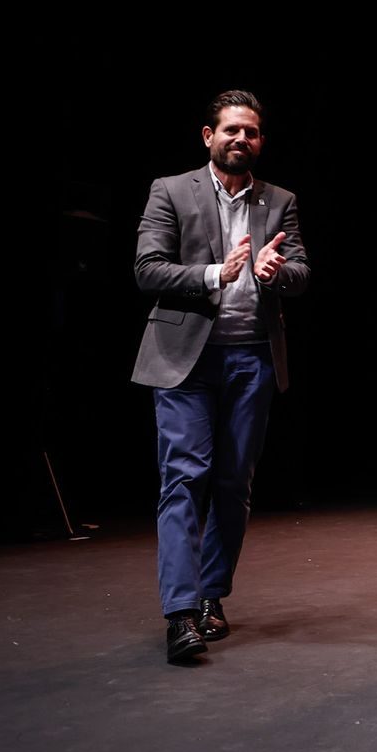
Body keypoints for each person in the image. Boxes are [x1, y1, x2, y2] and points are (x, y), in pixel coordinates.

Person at [132, 90, 310, 663]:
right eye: (230, 130)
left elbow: (302, 272)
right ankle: (180, 615)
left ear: (260, 141)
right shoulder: (171, 190)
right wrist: (216, 272)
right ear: (208, 136)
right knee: (184, 477)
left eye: (251, 132)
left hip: (251, 357)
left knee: (234, 482)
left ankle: (212, 597)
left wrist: (275, 273)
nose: (241, 139)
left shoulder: (279, 201)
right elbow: (147, 269)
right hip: (185, 359)